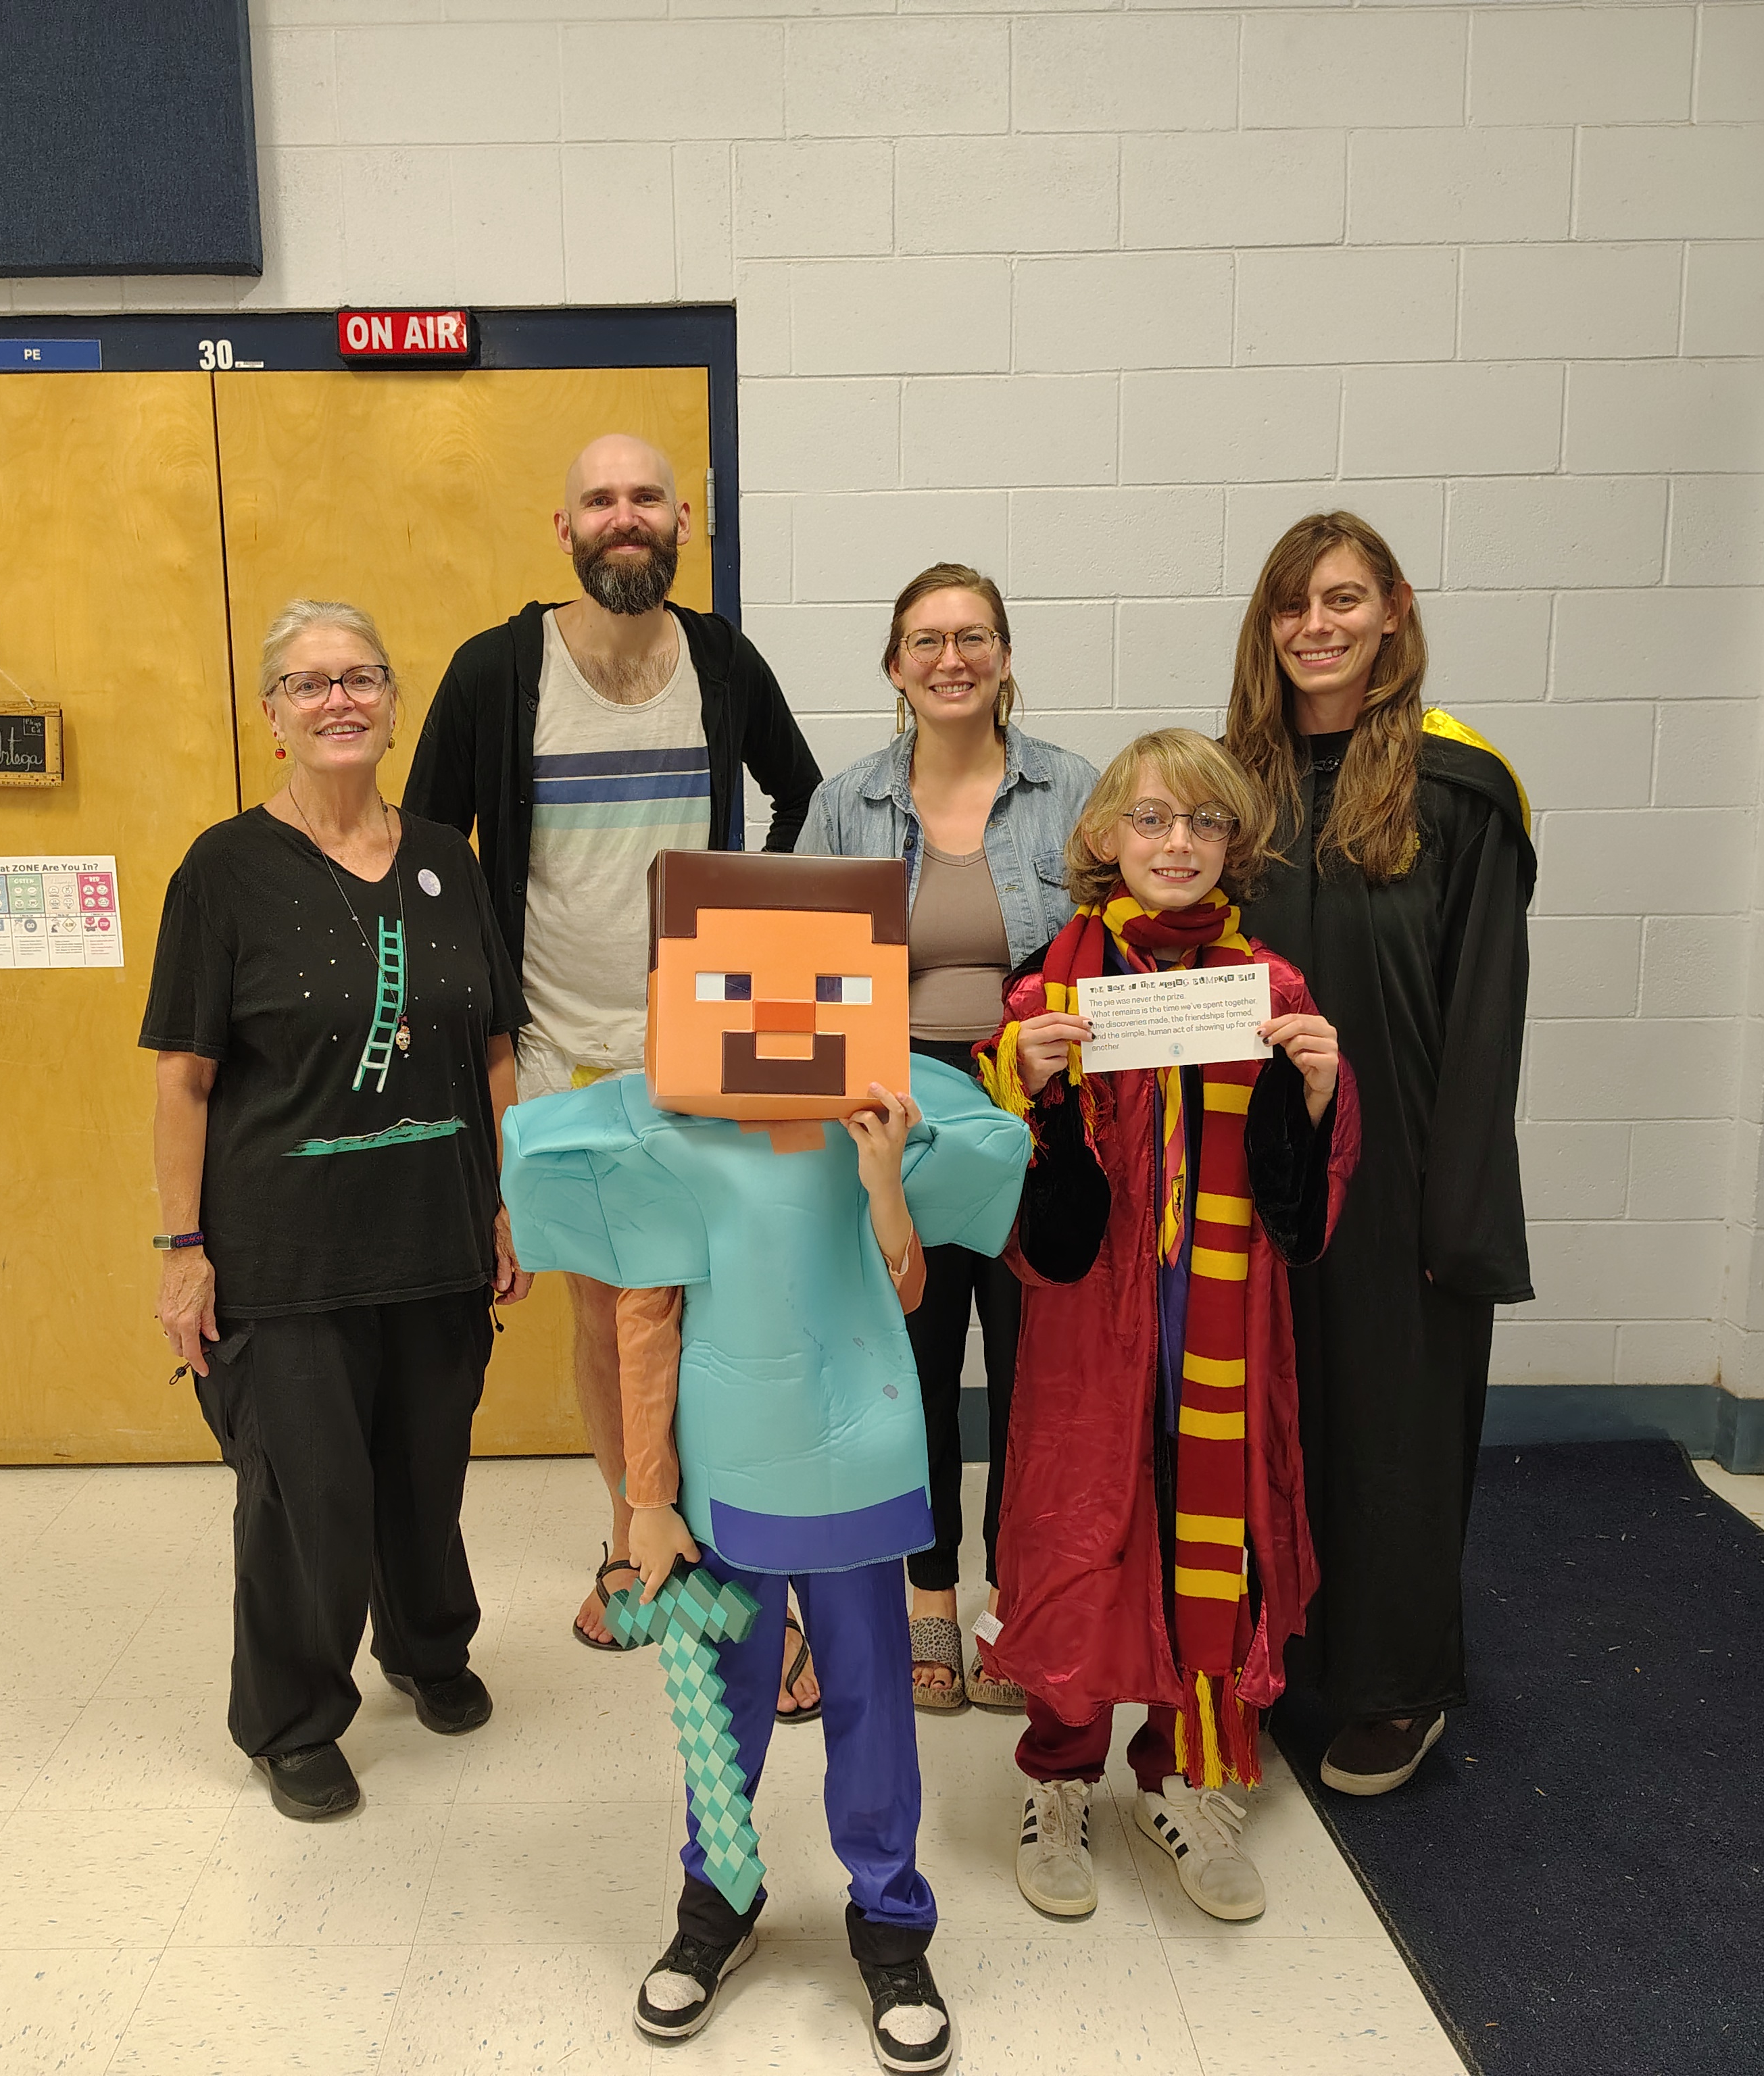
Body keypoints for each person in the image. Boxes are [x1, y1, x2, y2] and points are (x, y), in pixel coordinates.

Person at [500, 849, 1027, 2072]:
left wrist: (887, 1178)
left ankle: (892, 1921)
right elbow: (644, 1323)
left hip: (856, 1455)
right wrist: (646, 1501)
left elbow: (905, 1288)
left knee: (868, 1697)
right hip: (724, 1473)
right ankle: (715, 1905)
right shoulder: (674, 1134)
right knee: (722, 1710)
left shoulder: (877, 1116)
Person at [404, 433, 825, 1714]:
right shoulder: (497, 671)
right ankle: (631, 1542)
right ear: (565, 526)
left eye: (646, 497)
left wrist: (748, 948)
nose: (625, 516)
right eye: (602, 499)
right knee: (605, 1311)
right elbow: (428, 842)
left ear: (683, 521)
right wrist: (480, 1014)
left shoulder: (725, 664)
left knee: (730, 1313)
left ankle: (740, 1554)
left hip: (703, 1049)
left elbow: (799, 798)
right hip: (556, 1050)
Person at [146, 598, 531, 1823]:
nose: (338, 702)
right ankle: (292, 1717)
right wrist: (183, 1248)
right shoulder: (224, 870)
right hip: (284, 1254)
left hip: (437, 1236)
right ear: (271, 719)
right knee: (306, 1495)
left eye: (361, 677)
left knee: (427, 1472)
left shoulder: (446, 861)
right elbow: (183, 1076)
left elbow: (495, 1049)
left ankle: (424, 1647)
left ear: (392, 701)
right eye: (308, 685)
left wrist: (512, 1198)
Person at [979, 730, 1355, 1924]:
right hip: (1094, 1333)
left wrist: (1311, 1091)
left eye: (1202, 823)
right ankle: (1060, 1776)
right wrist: (1027, 1084)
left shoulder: (1274, 992)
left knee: (1215, 1538)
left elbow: (1307, 1218)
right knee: (1086, 1530)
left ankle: (1183, 1778)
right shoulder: (1052, 992)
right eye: (1150, 820)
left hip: (1226, 1327)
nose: (1176, 843)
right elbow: (1016, 1211)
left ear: (1235, 843)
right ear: (1102, 840)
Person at [1224, 512, 1534, 1798]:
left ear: (1395, 609)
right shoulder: (1226, 787)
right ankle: (1270, 1662)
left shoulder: (1460, 788)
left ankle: (1396, 1686)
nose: (1317, 627)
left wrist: (1453, 1215)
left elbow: (1485, 1012)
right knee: (1261, 1418)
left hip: (1403, 1165)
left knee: (1388, 1424)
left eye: (1343, 601)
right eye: (1294, 605)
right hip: (1251, 1168)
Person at [797, 563, 1094, 1712]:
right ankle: (930, 1606)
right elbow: (805, 973)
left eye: (974, 637)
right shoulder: (845, 805)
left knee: (1030, 1373)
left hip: (1036, 1122)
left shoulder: (1075, 792)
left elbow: (1120, 941)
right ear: (894, 667)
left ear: (1007, 658)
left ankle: (1016, 1606)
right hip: (898, 1122)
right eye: (926, 640)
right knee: (913, 1369)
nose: (951, 658)